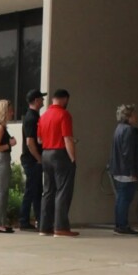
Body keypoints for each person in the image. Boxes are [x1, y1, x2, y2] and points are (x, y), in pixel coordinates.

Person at [38, 89, 78, 237]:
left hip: (46, 153)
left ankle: (44, 227)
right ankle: (60, 227)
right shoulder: (64, 114)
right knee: (63, 190)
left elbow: (39, 140)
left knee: (48, 191)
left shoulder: (43, 116)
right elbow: (67, 138)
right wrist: (73, 158)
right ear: (65, 99)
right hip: (60, 153)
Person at [109, 104, 138, 236]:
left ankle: (120, 224)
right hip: (126, 170)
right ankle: (122, 225)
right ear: (128, 117)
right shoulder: (129, 131)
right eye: (134, 115)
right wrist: (133, 171)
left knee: (121, 197)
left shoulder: (118, 129)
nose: (136, 117)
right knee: (125, 197)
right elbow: (128, 153)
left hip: (118, 168)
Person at [19, 89, 46, 231]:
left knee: (36, 190)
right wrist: (39, 158)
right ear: (36, 101)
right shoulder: (31, 118)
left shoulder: (33, 116)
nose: (43, 101)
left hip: (33, 160)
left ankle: (39, 219)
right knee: (31, 190)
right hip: (32, 160)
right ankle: (24, 220)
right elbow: (30, 142)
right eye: (41, 98)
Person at [0, 99, 17, 233]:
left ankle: (1, 222)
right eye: (10, 110)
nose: (12, 113)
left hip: (2, 161)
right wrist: (9, 144)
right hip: (1, 161)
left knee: (4, 193)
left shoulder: (1, 127)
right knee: (1, 193)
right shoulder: (0, 127)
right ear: (4, 111)